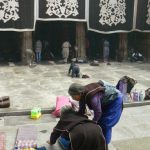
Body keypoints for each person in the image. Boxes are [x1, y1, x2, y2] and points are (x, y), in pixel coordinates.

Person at [68, 80, 123, 149]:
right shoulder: (82, 94)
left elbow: (98, 112)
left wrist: (92, 123)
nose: (72, 98)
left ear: (79, 93)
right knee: (99, 122)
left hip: (115, 100)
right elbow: (81, 110)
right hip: (105, 100)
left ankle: (104, 145)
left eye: (73, 96)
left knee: (105, 124)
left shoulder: (93, 98)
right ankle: (99, 141)